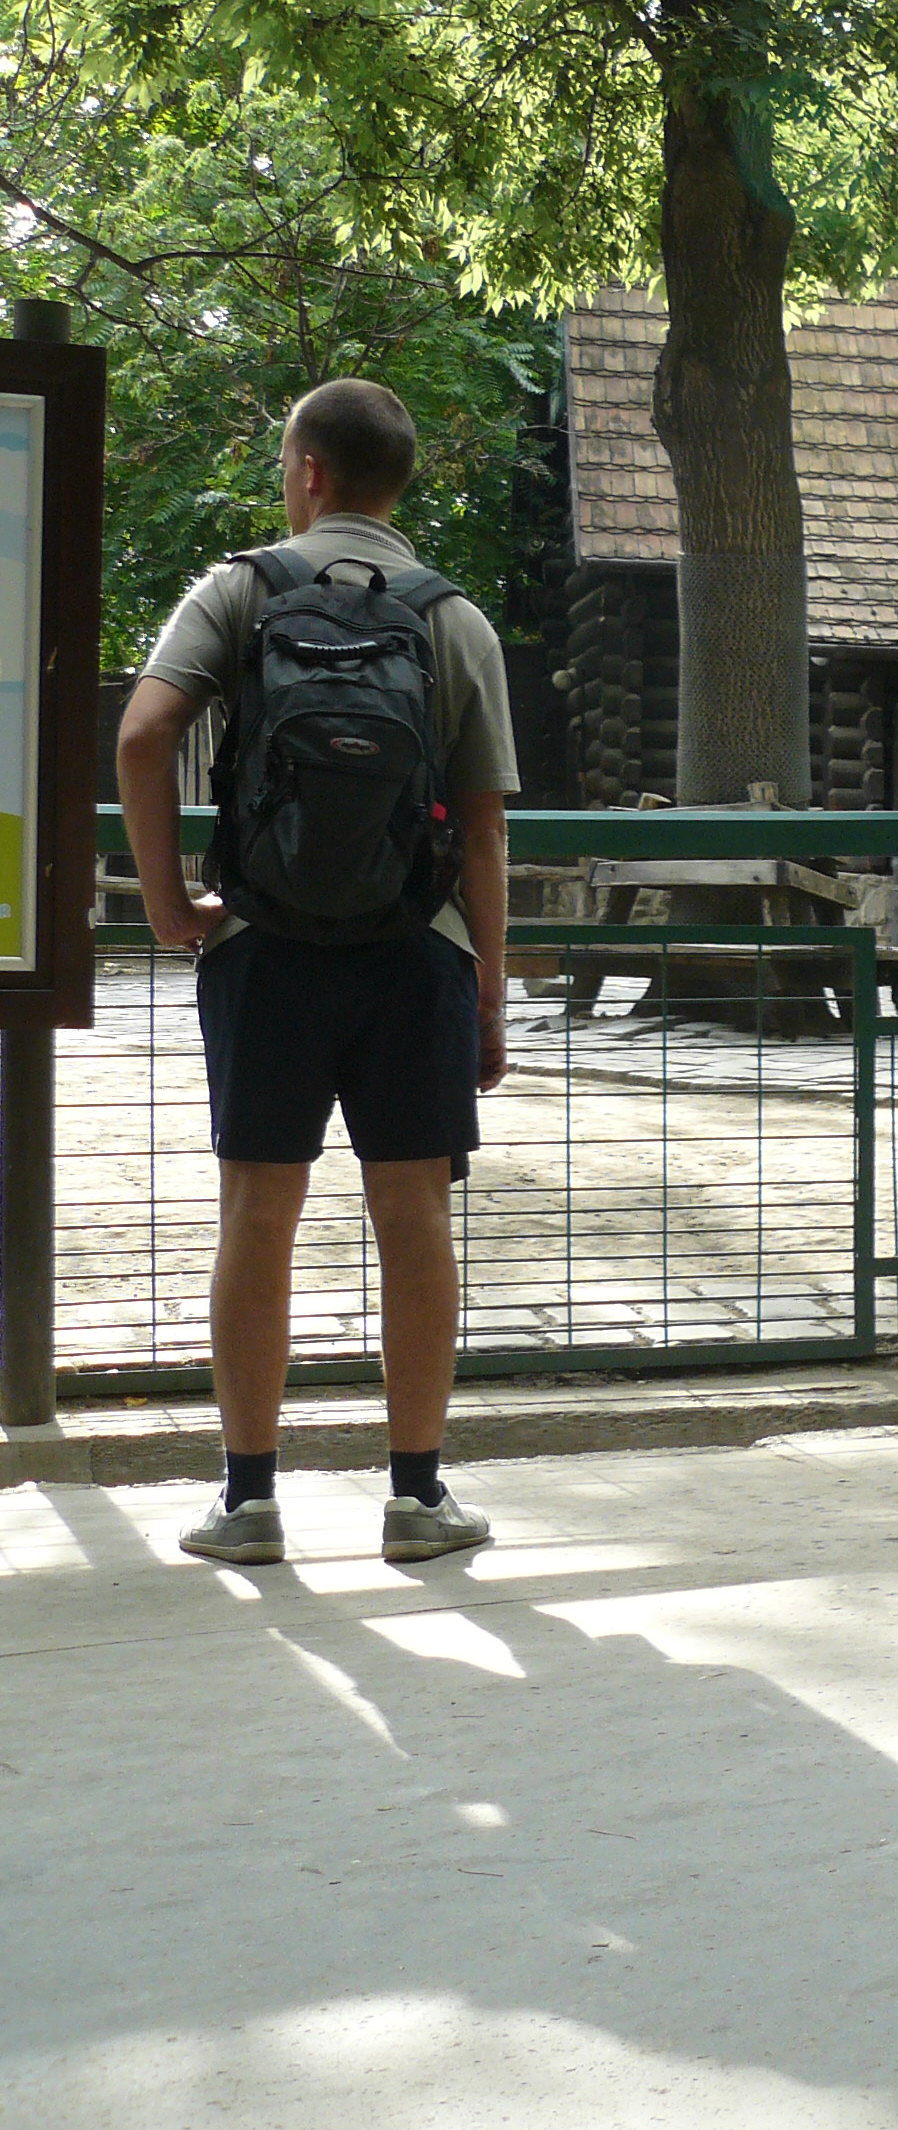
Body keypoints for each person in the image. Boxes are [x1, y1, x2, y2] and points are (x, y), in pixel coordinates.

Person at [115, 378, 515, 1566]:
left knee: (258, 1211)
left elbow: (142, 736)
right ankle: (417, 1499)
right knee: (414, 1216)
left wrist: (169, 902)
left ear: (308, 472)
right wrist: (488, 992)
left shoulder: (238, 592)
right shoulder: (455, 619)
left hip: (264, 950)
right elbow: (485, 831)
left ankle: (248, 1504)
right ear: (396, 482)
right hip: (416, 952)